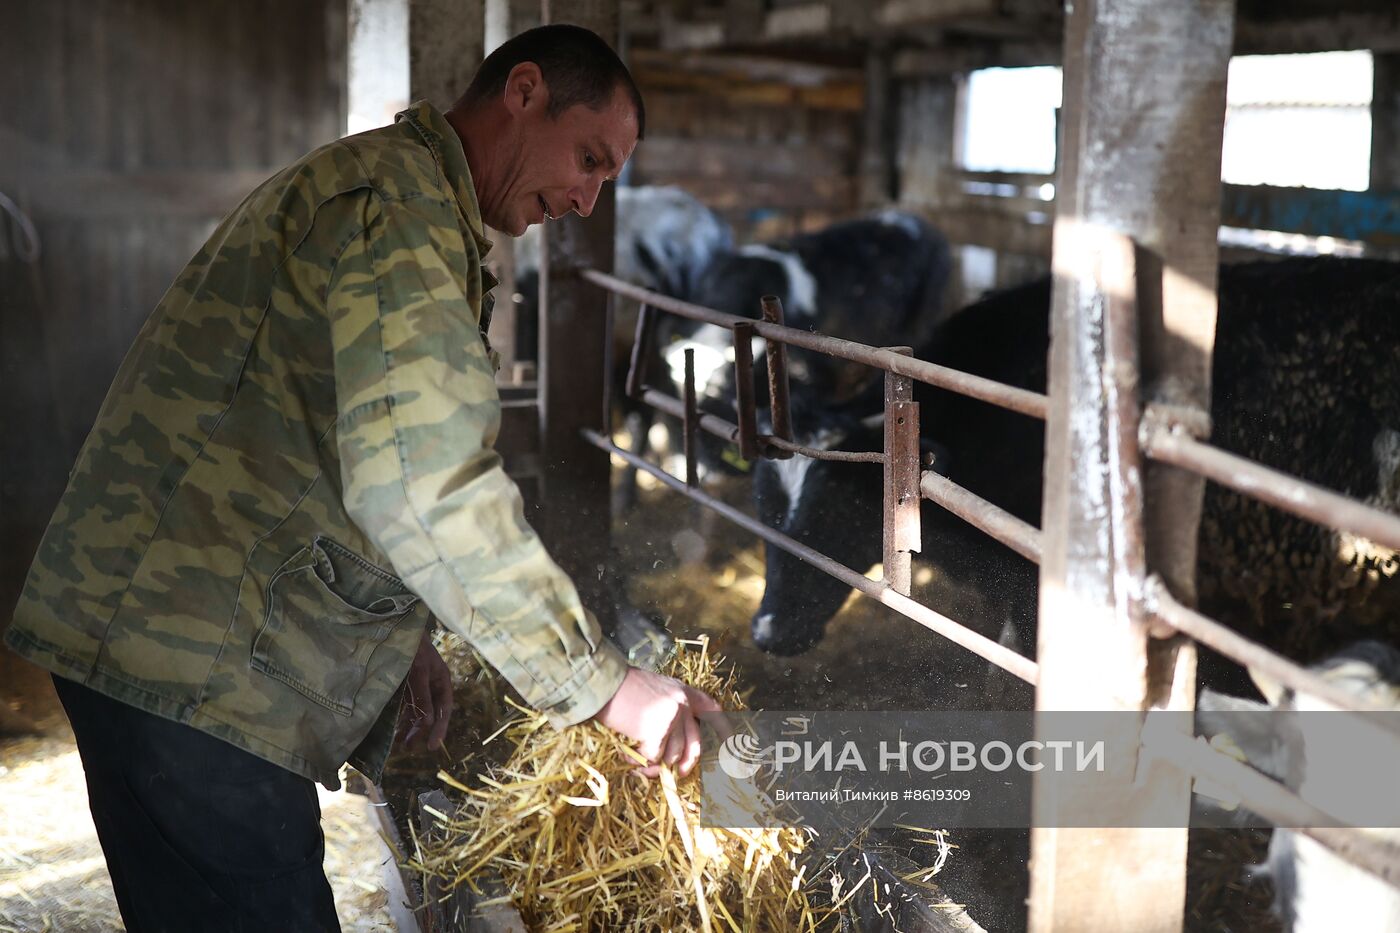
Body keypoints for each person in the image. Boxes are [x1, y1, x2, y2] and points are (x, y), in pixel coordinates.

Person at [5, 23, 720, 932]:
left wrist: (401, 630)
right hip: (195, 658)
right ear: (524, 91)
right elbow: (425, 482)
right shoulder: (398, 211)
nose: (587, 200)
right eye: (589, 159)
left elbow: (343, 436)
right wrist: (604, 686)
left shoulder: (401, 197)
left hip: (179, 637)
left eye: (606, 178)